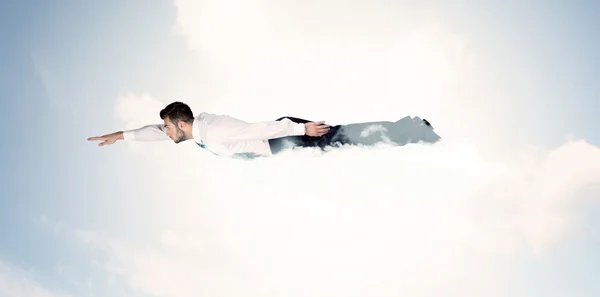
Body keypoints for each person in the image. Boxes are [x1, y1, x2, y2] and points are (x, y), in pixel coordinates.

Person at [88, 101, 441, 159]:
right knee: (342, 141)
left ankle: (412, 131)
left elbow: (257, 128)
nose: (164, 133)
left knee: (342, 138)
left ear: (181, 124)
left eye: (167, 128)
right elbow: (153, 129)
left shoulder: (213, 134)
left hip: (280, 137)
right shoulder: (196, 128)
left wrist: (302, 129)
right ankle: (407, 130)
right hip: (278, 138)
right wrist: (121, 136)